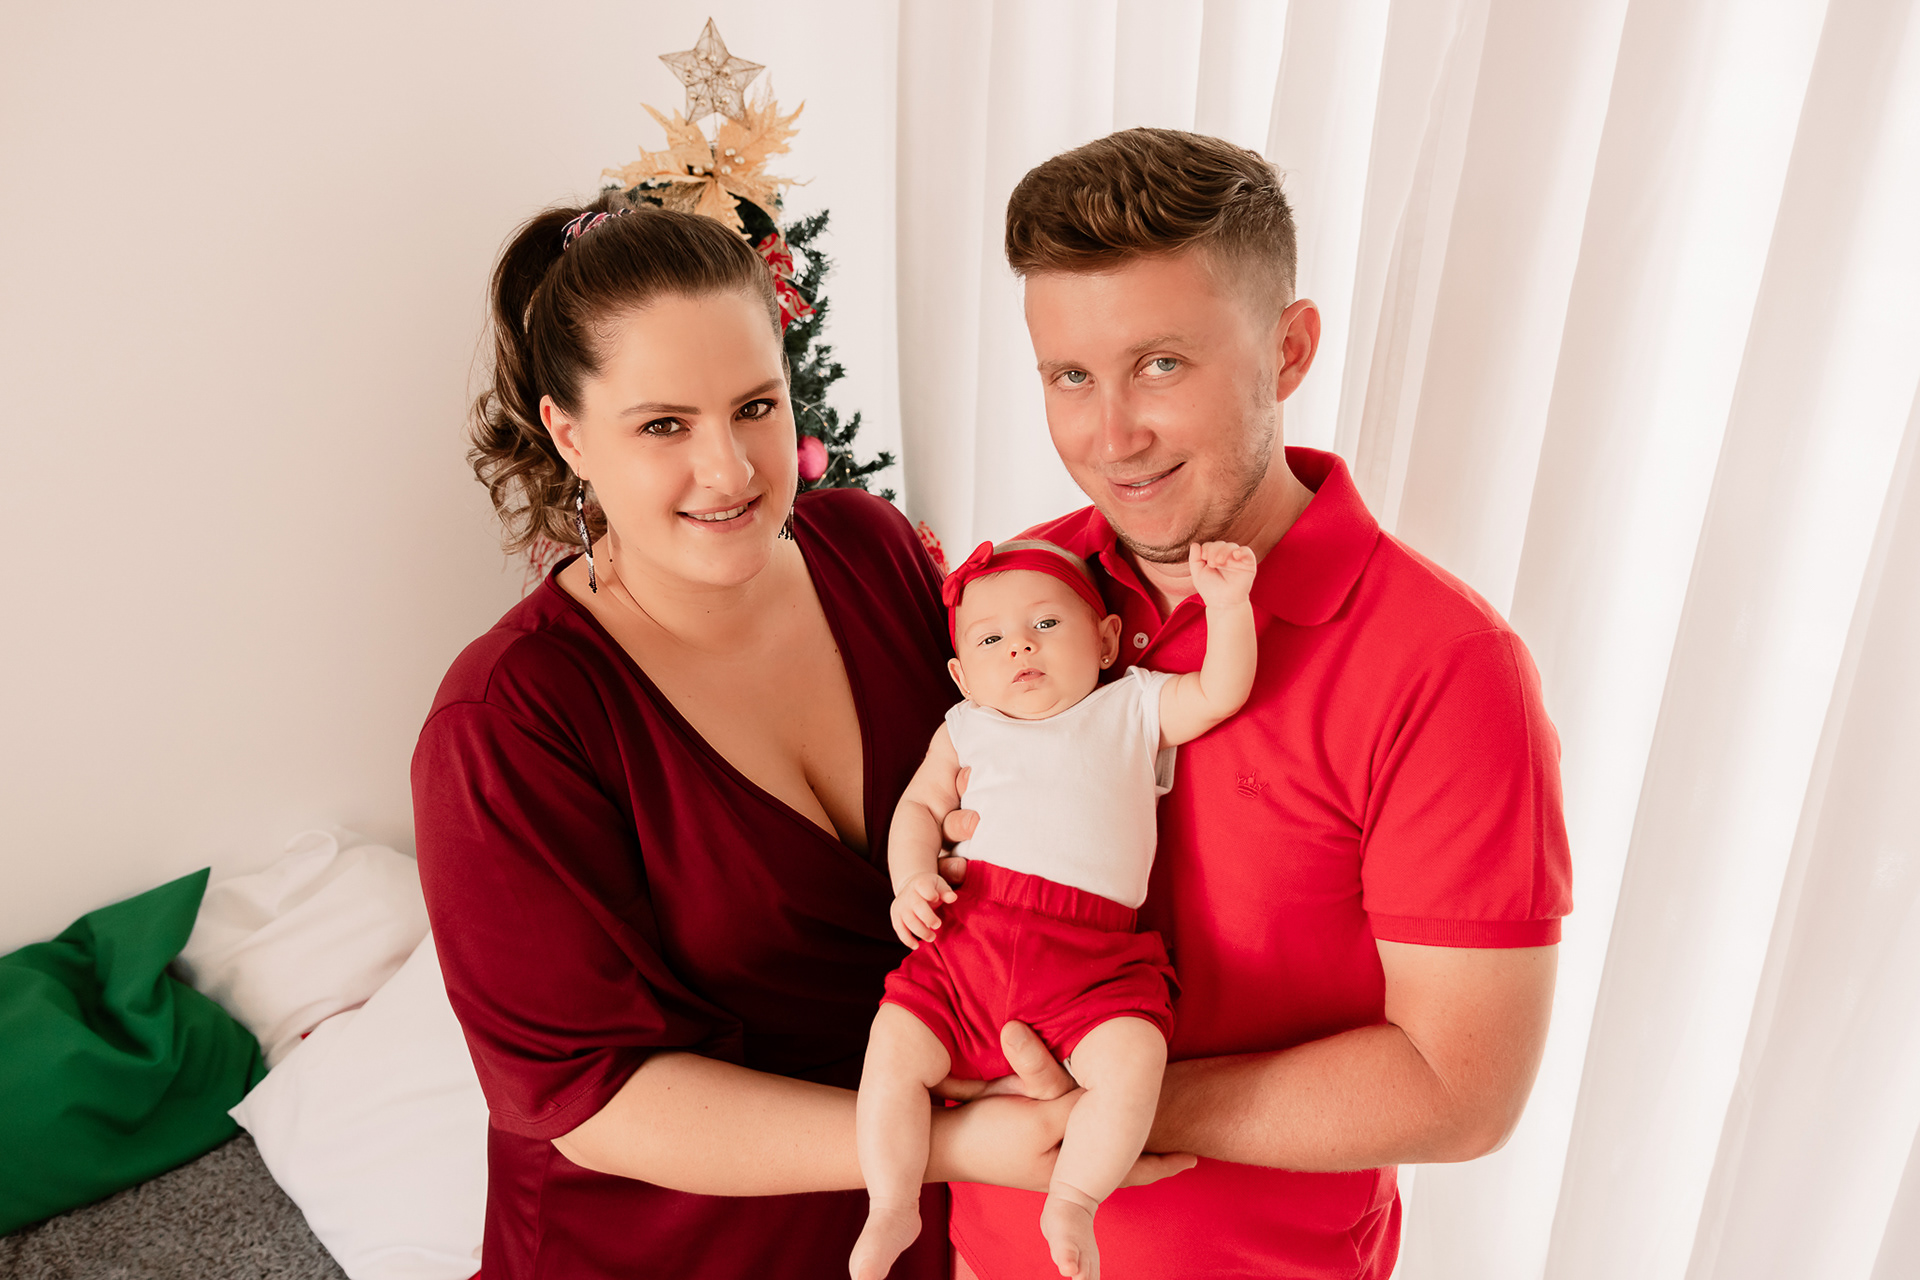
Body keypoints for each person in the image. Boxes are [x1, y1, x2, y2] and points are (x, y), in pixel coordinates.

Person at [409, 202, 1190, 1280]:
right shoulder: (509, 719)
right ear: (570, 433)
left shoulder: (870, 550)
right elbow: (590, 1100)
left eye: (755, 406)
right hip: (666, 1247)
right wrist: (952, 1145)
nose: (730, 469)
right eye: (664, 425)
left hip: (915, 1227)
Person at [941, 129, 1574, 1279]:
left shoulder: (1448, 666)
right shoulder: (1017, 602)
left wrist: (1118, 1105)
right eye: (1070, 376)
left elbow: (1462, 1086)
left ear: (1289, 350)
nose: (1112, 435)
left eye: (1160, 365)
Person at [852, 538, 1256, 1280]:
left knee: (1134, 1058)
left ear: (1105, 640)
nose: (1020, 648)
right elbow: (920, 809)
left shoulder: (1130, 705)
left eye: (1045, 625)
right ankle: (891, 1201)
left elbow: (1219, 692)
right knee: (893, 1049)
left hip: (1091, 959)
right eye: (991, 640)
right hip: (968, 938)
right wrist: (911, 879)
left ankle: (1073, 1197)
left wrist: (1229, 607)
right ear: (961, 675)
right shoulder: (966, 727)